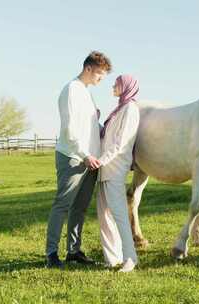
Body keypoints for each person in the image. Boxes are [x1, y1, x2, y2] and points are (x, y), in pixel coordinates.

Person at [45, 51, 112, 268]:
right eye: (100, 74)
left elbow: (90, 126)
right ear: (88, 68)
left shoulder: (87, 92)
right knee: (62, 205)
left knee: (80, 208)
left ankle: (73, 251)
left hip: (91, 160)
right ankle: (51, 254)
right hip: (73, 157)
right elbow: (69, 130)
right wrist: (85, 155)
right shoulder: (71, 90)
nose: (101, 78)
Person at [96, 74, 141, 272]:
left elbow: (121, 143)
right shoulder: (119, 109)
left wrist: (101, 160)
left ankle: (130, 258)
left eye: (117, 83)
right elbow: (106, 137)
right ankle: (112, 259)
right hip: (104, 168)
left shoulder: (130, 109)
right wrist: (96, 122)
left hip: (115, 167)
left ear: (126, 87)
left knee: (120, 214)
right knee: (104, 216)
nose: (113, 86)